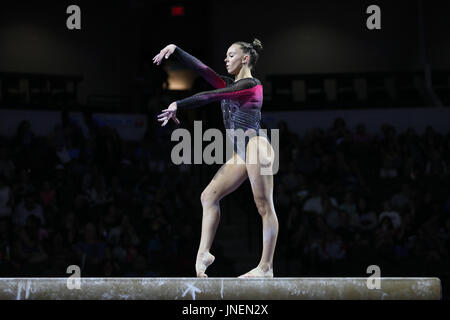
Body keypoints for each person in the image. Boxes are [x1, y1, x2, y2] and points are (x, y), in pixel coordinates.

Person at [152, 39, 278, 278]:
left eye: (231, 55)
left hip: (256, 147)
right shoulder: (231, 84)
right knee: (208, 196)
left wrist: (179, 103)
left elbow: (210, 96)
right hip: (242, 153)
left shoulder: (252, 85)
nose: (225, 59)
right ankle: (203, 254)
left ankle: (266, 267)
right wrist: (176, 50)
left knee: (263, 206)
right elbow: (204, 71)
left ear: (245, 59)